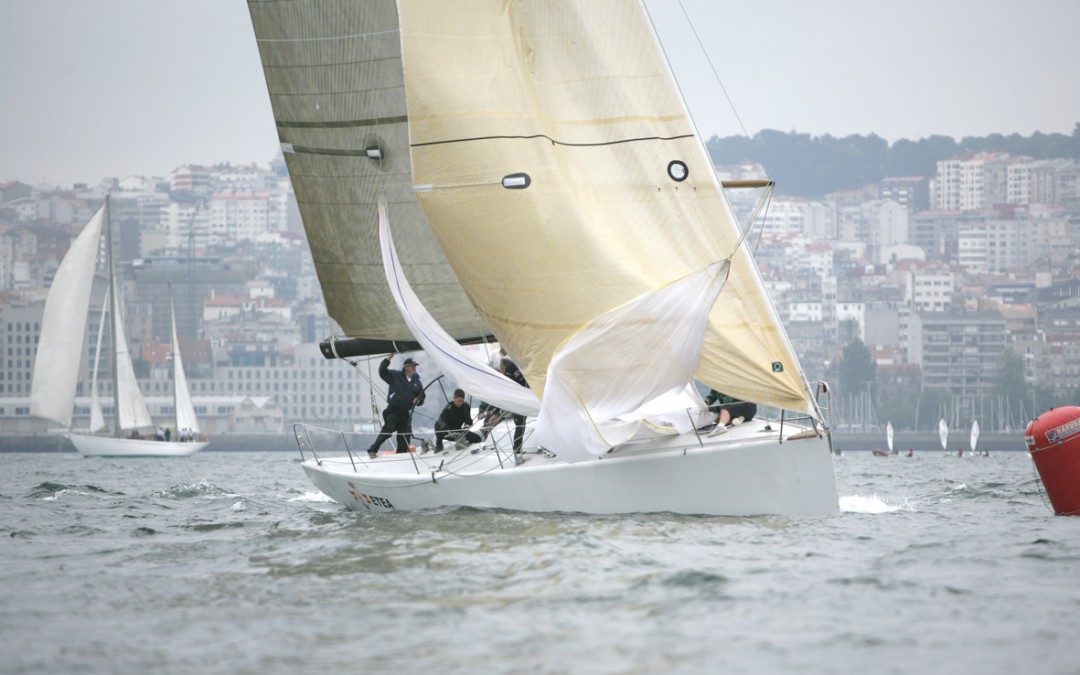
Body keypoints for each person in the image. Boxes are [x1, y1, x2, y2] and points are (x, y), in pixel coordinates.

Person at [366, 354, 425, 458]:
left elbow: (422, 396)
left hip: (405, 414)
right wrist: (388, 358)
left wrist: (418, 400)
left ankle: (401, 457)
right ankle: (372, 450)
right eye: (412, 366)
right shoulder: (395, 375)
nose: (415, 368)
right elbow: (382, 371)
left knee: (405, 437)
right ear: (406, 367)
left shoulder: (417, 382)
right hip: (393, 410)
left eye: (415, 366)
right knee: (388, 430)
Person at [433, 388, 478, 453]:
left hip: (458, 432)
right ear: (454, 398)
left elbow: (468, 419)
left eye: (462, 401)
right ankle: (439, 444)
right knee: (437, 425)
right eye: (459, 401)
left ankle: (469, 444)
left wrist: (467, 425)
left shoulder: (465, 407)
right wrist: (448, 430)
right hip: (448, 432)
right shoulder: (449, 407)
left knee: (477, 438)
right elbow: (442, 420)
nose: (461, 403)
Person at [499, 357, 529, 453]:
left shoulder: (509, 371)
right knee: (521, 426)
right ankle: (517, 450)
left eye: (501, 366)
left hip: (518, 404)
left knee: (520, 426)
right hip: (523, 401)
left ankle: (517, 450)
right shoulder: (517, 371)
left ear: (503, 365)